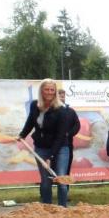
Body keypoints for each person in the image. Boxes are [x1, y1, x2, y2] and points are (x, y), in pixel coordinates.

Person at [18, 79, 71, 207]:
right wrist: (22, 135)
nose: (49, 92)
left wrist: (51, 157)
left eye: (52, 90)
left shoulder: (61, 110)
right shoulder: (35, 105)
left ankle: (62, 210)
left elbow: (60, 136)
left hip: (60, 148)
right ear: (41, 90)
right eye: (46, 89)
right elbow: (31, 121)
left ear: (55, 92)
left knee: (61, 180)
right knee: (46, 182)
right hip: (41, 148)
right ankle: (47, 210)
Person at [58, 88, 80, 189]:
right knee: (49, 170)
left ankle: (64, 192)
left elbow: (77, 125)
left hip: (67, 145)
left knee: (66, 170)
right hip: (50, 146)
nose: (62, 96)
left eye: (63, 94)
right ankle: (46, 193)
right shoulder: (50, 110)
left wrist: (68, 134)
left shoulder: (71, 111)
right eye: (59, 94)